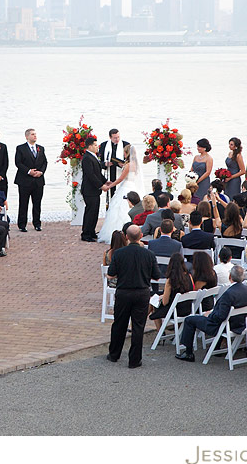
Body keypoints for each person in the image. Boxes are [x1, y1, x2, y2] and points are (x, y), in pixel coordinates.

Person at [106, 225, 160, 368]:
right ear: (141, 236)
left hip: (124, 292)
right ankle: (135, 360)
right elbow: (156, 276)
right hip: (142, 292)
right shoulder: (149, 254)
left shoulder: (119, 254)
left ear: (126, 237)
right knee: (138, 326)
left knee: (119, 324)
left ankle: (114, 354)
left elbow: (111, 274)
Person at [175, 265, 247, 362]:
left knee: (189, 320)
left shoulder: (229, 294)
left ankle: (188, 352)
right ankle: (216, 347)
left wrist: (209, 315)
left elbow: (221, 316)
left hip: (222, 325)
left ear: (230, 277)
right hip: (240, 323)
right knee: (213, 317)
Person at [149, 253, 194, 329]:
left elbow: (165, 302)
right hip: (187, 309)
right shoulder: (189, 276)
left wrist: (163, 297)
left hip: (174, 310)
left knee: (153, 303)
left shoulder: (170, 280)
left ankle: (160, 332)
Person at [14, 128, 47, 232]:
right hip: (25, 180)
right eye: (32, 134)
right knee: (23, 203)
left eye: (35, 134)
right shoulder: (20, 148)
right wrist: (29, 171)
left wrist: (41, 172)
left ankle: (37, 223)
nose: (35, 136)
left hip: (38, 180)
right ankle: (22, 224)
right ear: (27, 136)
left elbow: (45, 162)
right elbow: (18, 163)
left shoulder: (40, 148)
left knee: (37, 203)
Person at [81, 137, 111, 242]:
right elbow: (91, 175)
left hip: (94, 190)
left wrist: (105, 181)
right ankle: (85, 234)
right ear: (89, 146)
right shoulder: (86, 158)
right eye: (95, 145)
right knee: (90, 211)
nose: (97, 147)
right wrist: (101, 186)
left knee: (95, 212)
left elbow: (98, 173)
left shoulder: (93, 156)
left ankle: (92, 231)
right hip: (89, 190)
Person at [98, 129, 131, 200]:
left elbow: (130, 160)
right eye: (115, 138)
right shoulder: (103, 145)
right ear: (110, 137)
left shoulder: (126, 145)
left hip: (121, 173)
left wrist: (124, 164)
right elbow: (98, 162)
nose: (117, 139)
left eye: (118, 137)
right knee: (111, 196)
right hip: (109, 173)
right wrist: (105, 164)